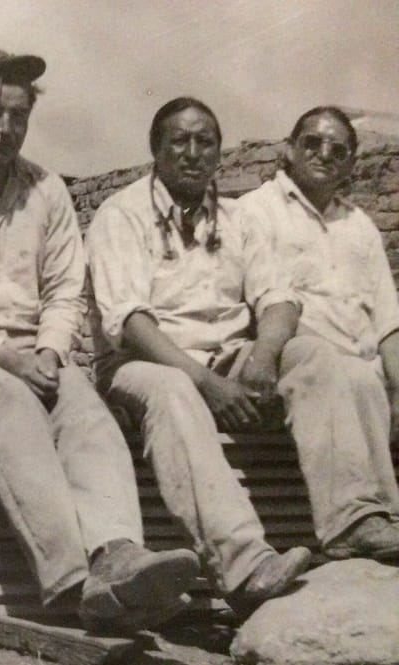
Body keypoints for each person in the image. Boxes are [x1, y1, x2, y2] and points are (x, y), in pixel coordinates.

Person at [0, 49, 200, 634]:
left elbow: (65, 291)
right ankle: (70, 581)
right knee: (12, 405)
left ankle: (119, 553)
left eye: (18, 115)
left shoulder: (47, 191)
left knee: (86, 411)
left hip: (35, 352)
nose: (4, 127)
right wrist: (5, 357)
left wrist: (47, 354)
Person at [85, 97, 314, 617]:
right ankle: (244, 565)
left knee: (315, 357)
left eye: (204, 141)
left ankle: (353, 526)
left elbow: (278, 298)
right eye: (179, 141)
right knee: (173, 388)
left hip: (226, 360)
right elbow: (131, 323)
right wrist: (205, 382)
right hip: (141, 366)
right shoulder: (121, 215)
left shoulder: (239, 219)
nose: (192, 153)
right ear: (156, 150)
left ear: (219, 152)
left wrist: (264, 354)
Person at [239, 106, 399, 561]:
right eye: (312, 143)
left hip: (364, 363)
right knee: (351, 376)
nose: (324, 154)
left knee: (376, 377)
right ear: (289, 149)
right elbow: (265, 303)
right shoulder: (256, 211)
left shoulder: (360, 225)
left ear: (350, 163)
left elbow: (388, 320)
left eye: (338, 150)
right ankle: (366, 522)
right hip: (304, 357)